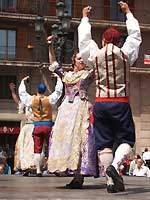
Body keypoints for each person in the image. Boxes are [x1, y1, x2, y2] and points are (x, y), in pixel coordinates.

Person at [78, 1, 142, 193]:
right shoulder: (125, 54)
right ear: (118, 42)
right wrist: (128, 13)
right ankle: (115, 166)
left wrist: (85, 18)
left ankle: (110, 182)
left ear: (104, 41)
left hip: (100, 103)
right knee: (127, 139)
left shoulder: (94, 55)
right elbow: (135, 36)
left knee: (104, 143)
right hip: (120, 102)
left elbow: (84, 41)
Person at [47, 35, 96, 189]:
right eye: (79, 58)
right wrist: (50, 46)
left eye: (83, 59)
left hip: (80, 108)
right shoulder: (67, 75)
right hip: (66, 110)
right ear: (74, 60)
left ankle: (79, 177)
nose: (82, 61)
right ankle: (72, 173)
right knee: (65, 139)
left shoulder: (87, 75)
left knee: (79, 139)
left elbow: (99, 66)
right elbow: (54, 64)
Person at [19, 74, 63, 176]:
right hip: (48, 126)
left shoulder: (31, 100)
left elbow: (22, 93)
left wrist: (22, 81)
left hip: (37, 126)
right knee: (50, 148)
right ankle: (52, 168)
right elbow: (58, 92)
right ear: (44, 91)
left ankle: (38, 170)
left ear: (37, 90)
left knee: (37, 149)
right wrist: (58, 79)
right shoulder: (49, 99)